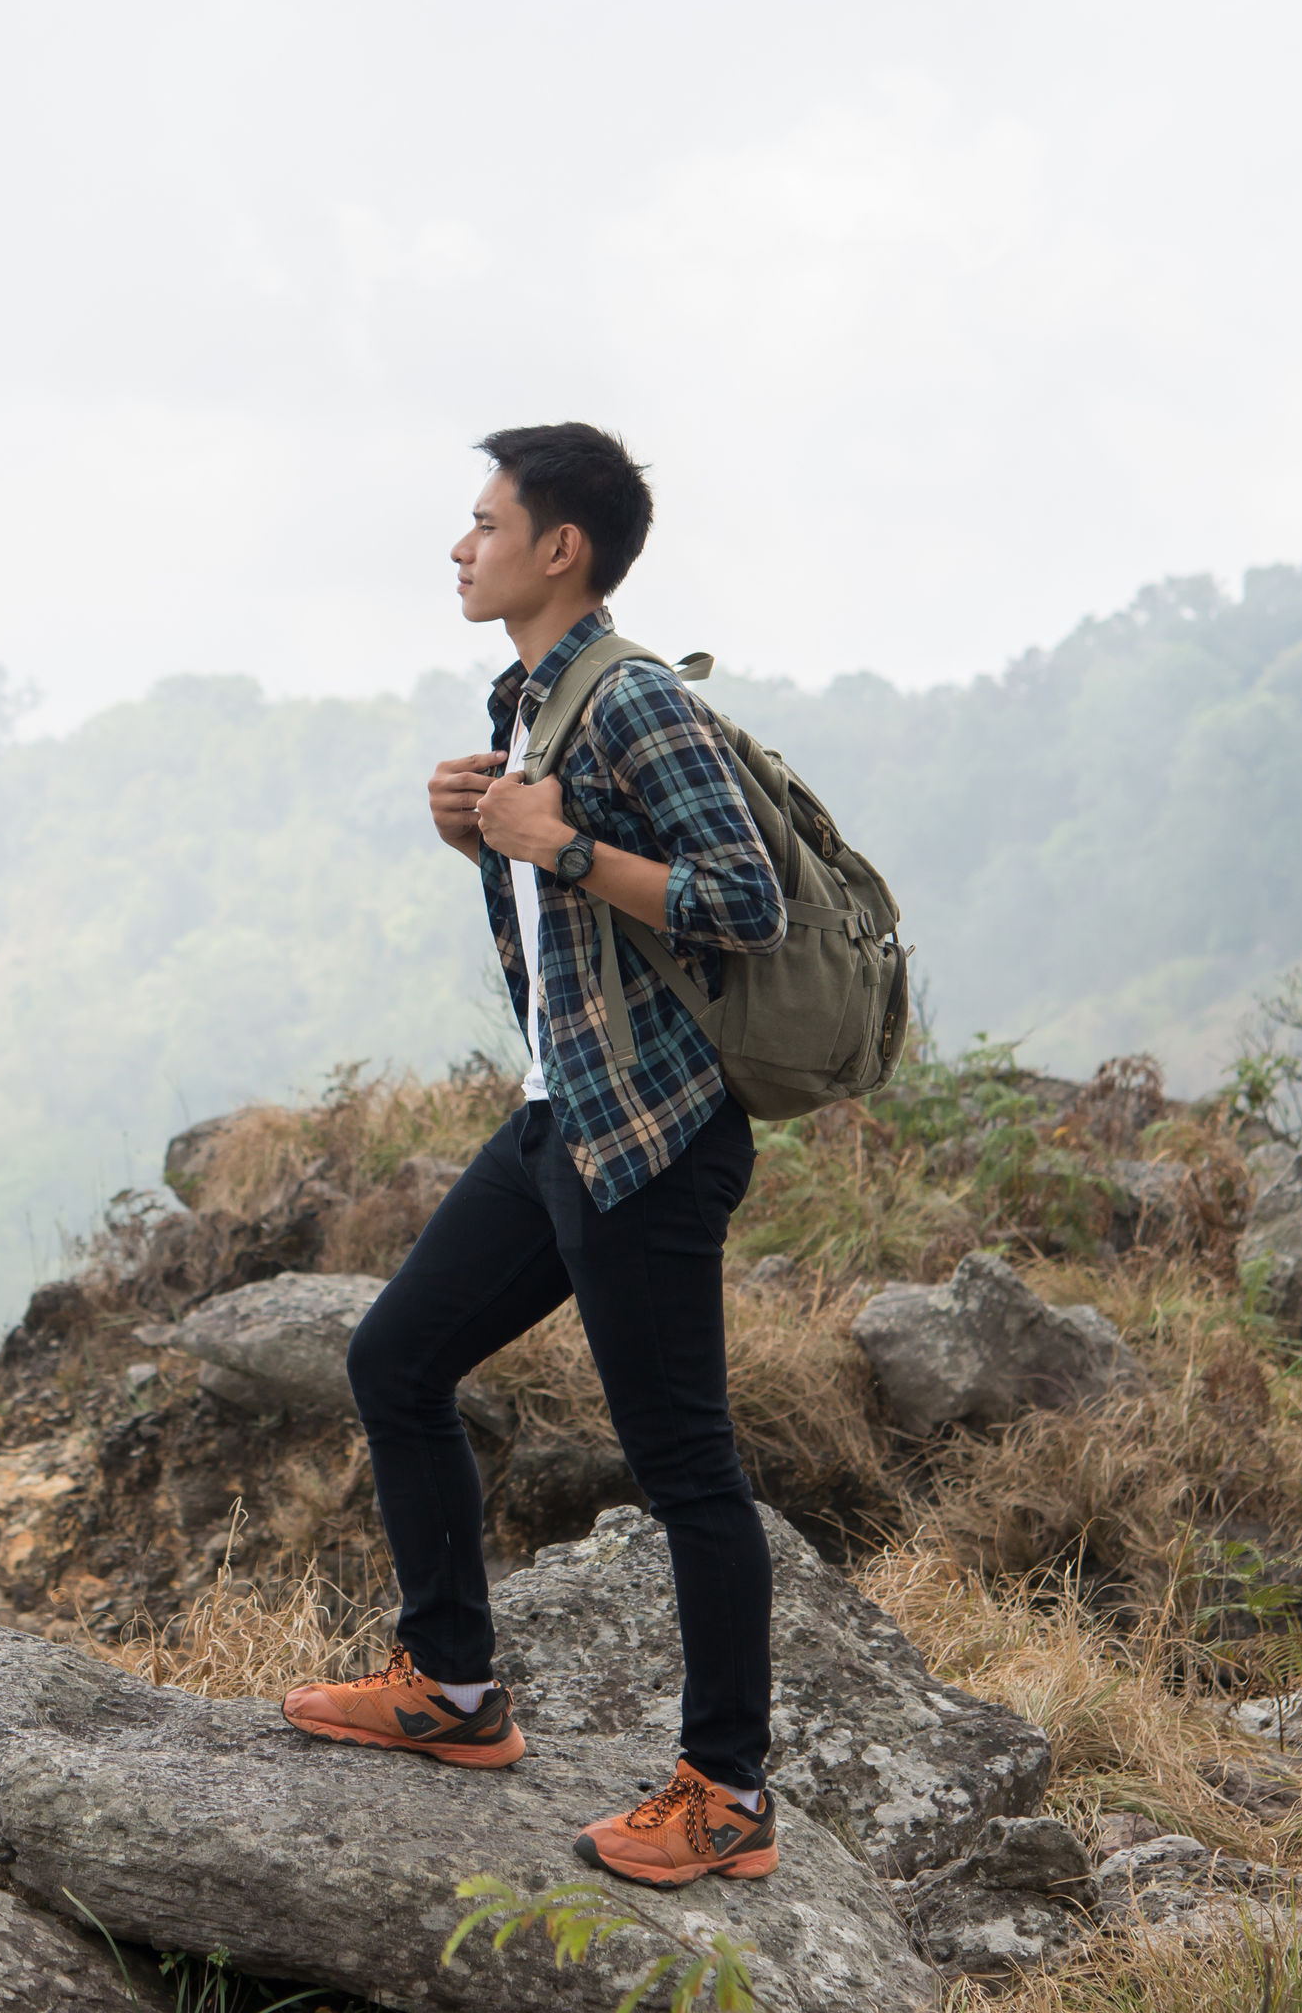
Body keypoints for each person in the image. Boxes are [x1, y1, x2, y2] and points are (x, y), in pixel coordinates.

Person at [278, 423, 790, 1888]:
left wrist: (552, 847)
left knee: (687, 1466)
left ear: (559, 548)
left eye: (485, 522)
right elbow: (573, 934)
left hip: (655, 1140)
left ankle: (729, 1794)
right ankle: (453, 1692)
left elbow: (739, 901)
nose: (461, 545)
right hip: (564, 1114)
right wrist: (484, 840)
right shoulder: (530, 695)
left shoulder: (631, 704)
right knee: (397, 1361)